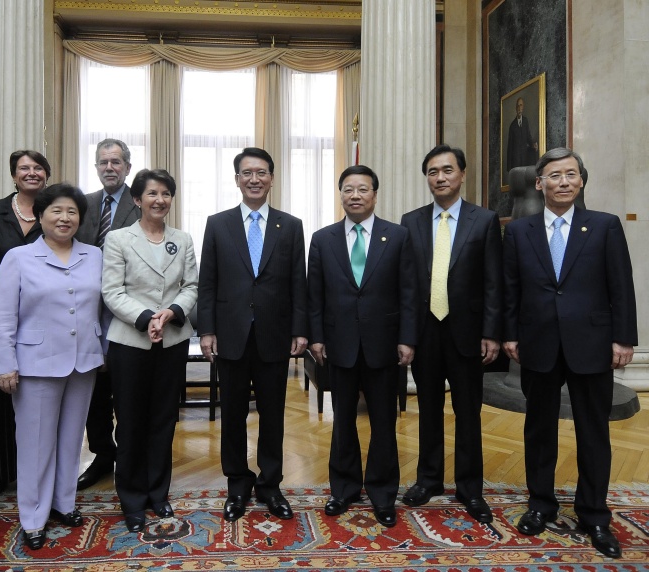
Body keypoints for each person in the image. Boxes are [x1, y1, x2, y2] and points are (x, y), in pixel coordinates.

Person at [503, 148, 637, 559]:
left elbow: (621, 285)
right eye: (555, 175)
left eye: (571, 174)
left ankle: (594, 514)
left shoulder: (604, 226)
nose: (563, 181)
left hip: (592, 344)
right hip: (538, 343)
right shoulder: (519, 231)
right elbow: (511, 288)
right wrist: (510, 335)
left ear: (581, 180)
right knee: (538, 430)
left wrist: (624, 339)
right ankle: (540, 505)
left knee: (593, 432)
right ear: (539, 183)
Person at [0, 183, 104, 550]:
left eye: (72, 212)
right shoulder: (19, 257)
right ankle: (34, 517)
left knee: (71, 439)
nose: (64, 218)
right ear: (40, 216)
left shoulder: (94, 256)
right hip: (35, 363)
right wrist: (4, 364)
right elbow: (2, 316)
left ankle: (63, 502)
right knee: (35, 443)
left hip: (83, 362)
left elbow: (103, 307)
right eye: (56, 210)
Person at [198, 147, 308, 522]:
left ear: (272, 178)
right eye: (247, 173)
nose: (254, 179)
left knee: (273, 414)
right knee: (232, 414)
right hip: (230, 335)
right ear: (237, 180)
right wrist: (207, 330)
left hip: (274, 335)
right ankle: (237, 485)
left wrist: (299, 329)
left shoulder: (290, 226)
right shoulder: (218, 224)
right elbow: (207, 281)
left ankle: (270, 484)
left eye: (261, 172)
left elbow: (298, 283)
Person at [308, 165, 418, 528]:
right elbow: (314, 295)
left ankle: (383, 494)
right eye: (348, 189)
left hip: (384, 345)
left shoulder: (398, 236)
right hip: (338, 344)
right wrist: (317, 337)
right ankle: (344, 488)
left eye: (363, 189)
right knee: (342, 422)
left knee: (384, 422)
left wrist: (407, 338)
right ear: (341, 194)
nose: (355, 195)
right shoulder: (322, 239)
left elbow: (408, 292)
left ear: (375, 194)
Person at [400, 145, 503, 523]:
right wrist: (406, 335)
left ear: (462, 174)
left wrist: (491, 332)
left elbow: (493, 282)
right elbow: (407, 285)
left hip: (468, 334)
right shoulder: (410, 221)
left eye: (447, 170)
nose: (440, 177)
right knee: (428, 409)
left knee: (468, 413)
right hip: (425, 333)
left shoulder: (485, 220)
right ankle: (428, 480)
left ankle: (469, 488)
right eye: (432, 171)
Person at [101, 169, 198, 532]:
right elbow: (112, 291)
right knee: (130, 421)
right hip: (130, 342)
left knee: (164, 419)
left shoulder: (182, 239)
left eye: (166, 193)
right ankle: (131, 498)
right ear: (137, 199)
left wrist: (170, 313)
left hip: (172, 340)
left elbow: (191, 286)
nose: (160, 200)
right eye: (152, 193)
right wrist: (145, 318)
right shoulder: (118, 239)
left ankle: (158, 493)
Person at [0, 149, 50, 504]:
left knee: (41, 407)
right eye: (24, 168)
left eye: (38, 168)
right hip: (0, 319)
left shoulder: (55, 211)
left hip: (43, 320)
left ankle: (40, 476)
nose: (31, 173)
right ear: (13, 175)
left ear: (47, 175)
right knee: (2, 401)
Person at [75, 138, 141, 491]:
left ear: (127, 167)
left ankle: (129, 459)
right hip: (86, 311)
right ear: (97, 167)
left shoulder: (142, 201)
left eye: (116, 162)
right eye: (104, 162)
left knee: (126, 389)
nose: (110, 168)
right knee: (93, 390)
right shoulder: (82, 204)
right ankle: (103, 454)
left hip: (128, 310)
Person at [506, 97, 539, 173]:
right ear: (516, 108)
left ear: (523, 107)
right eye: (518, 106)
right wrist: (509, 168)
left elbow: (528, 137)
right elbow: (510, 147)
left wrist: (533, 145)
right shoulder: (512, 126)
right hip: (516, 161)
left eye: (521, 105)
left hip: (525, 158)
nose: (519, 108)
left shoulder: (525, 121)